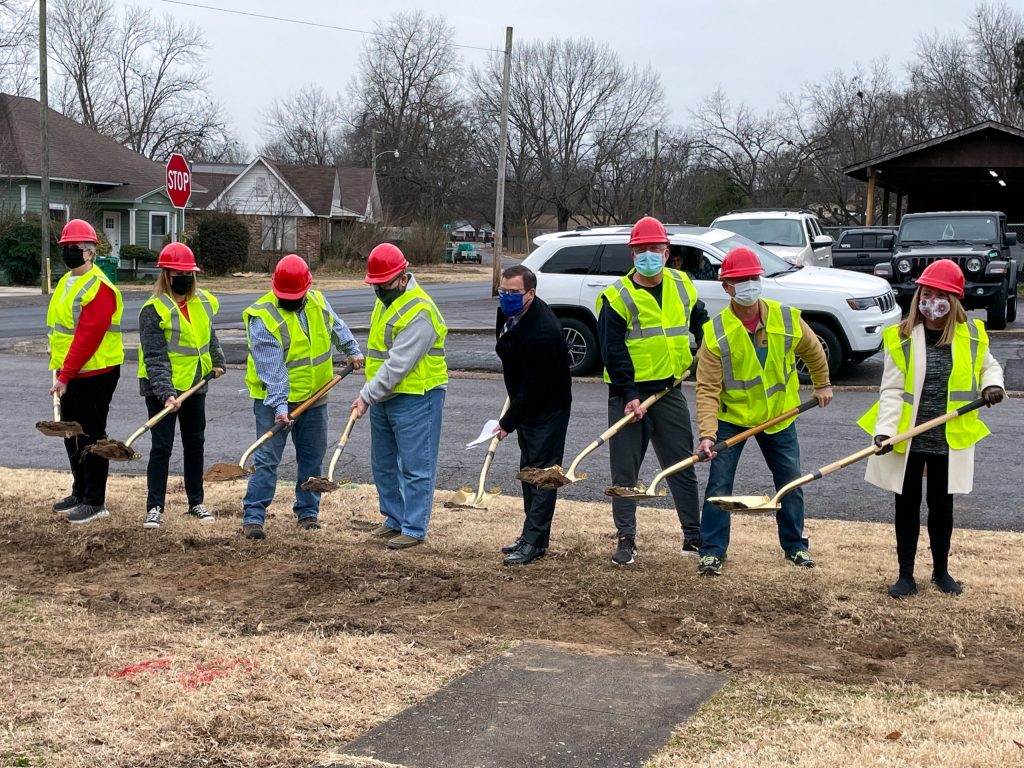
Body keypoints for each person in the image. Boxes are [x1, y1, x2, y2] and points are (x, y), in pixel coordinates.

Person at [857, 260, 1004, 599]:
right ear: (918, 296)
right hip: (908, 437)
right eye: (927, 294)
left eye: (940, 295)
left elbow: (989, 366)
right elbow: (892, 391)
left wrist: (992, 386)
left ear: (954, 300)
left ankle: (941, 571)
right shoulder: (904, 337)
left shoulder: (971, 335)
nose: (932, 302)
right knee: (906, 506)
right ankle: (905, 575)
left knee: (941, 507)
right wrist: (884, 432)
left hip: (949, 438)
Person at [695, 246, 833, 576]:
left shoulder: (785, 318)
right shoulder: (715, 334)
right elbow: (708, 390)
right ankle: (712, 551)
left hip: (779, 417)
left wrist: (823, 384)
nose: (748, 285)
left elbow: (813, 351)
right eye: (740, 280)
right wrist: (707, 435)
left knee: (790, 482)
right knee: (719, 486)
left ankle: (795, 546)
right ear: (726, 286)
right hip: (734, 419)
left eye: (752, 278)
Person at [596, 216, 708, 566]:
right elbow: (611, 350)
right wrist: (629, 394)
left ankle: (693, 536)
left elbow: (700, 320)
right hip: (629, 396)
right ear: (633, 254)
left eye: (654, 249)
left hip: (669, 390)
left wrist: (707, 349)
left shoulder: (682, 284)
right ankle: (626, 539)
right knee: (625, 472)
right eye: (641, 250)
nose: (648, 255)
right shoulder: (617, 297)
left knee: (681, 465)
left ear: (666, 251)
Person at [241, 254, 364, 540]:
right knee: (267, 459)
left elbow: (337, 327)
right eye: (285, 296)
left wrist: (352, 350)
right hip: (273, 402)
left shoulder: (318, 302)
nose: (290, 301)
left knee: (312, 458)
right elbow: (274, 372)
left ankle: (308, 513)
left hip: (316, 396)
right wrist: (281, 408)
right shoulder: (263, 318)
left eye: (295, 296)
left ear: (306, 289)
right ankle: (254, 517)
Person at [352, 244, 448, 550]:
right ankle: (393, 519)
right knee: (383, 464)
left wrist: (366, 395)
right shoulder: (385, 302)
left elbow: (398, 364)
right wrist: (373, 394)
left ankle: (414, 527)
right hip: (384, 397)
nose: (379, 290)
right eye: (375, 285)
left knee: (416, 467)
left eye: (384, 284)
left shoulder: (420, 311)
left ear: (403, 278)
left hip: (417, 397)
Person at [137, 242, 225, 530]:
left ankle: (196, 502)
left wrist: (217, 360)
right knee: (161, 447)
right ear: (166, 275)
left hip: (196, 383)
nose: (184, 279)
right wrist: (166, 394)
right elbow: (154, 356)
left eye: (188, 273)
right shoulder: (153, 310)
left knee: (195, 444)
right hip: (161, 388)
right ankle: (155, 507)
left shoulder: (203, 302)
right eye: (178, 274)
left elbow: (208, 335)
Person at [46, 219, 125, 524]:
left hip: (96, 372)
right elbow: (62, 328)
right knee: (70, 433)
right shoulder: (67, 281)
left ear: (90, 252)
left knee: (92, 434)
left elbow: (88, 337)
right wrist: (58, 363)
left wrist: (65, 375)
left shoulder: (100, 287)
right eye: (65, 247)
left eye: (74, 248)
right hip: (70, 372)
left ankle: (95, 500)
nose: (69, 252)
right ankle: (80, 491)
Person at [494, 265, 572, 566]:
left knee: (542, 475)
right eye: (503, 291)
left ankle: (535, 543)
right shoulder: (508, 312)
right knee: (527, 471)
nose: (506, 298)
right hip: (525, 401)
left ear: (531, 293)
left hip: (547, 408)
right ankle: (530, 535)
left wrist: (507, 424)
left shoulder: (544, 331)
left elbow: (536, 389)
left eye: (513, 293)